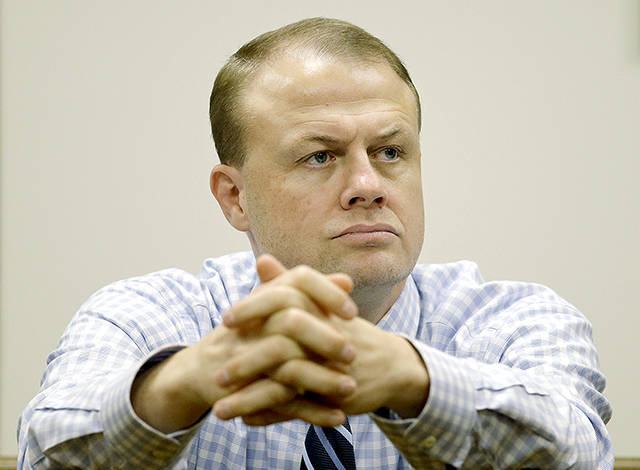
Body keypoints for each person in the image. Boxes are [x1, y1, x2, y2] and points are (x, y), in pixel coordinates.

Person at [18, 17, 612, 469]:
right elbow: (45, 452)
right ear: (234, 197)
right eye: (319, 155)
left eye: (390, 152)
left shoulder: (517, 320)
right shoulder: (145, 316)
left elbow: (581, 453)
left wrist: (413, 380)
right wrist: (194, 382)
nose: (366, 186)